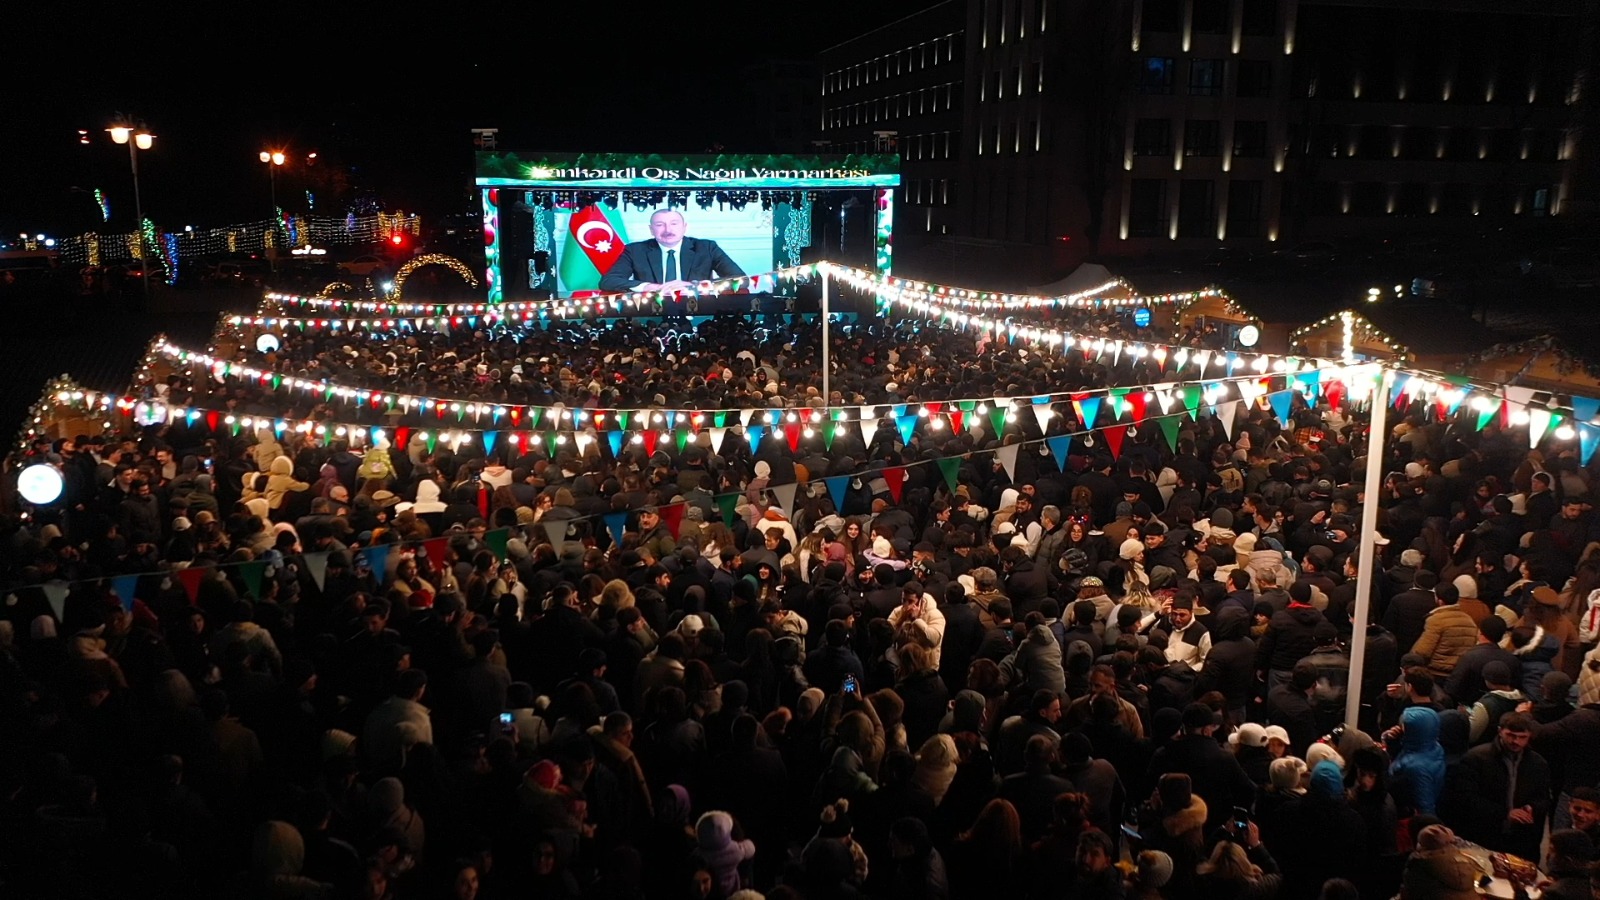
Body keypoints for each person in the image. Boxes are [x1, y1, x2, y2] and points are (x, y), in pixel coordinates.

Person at [1443, 712, 1551, 862]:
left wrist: (1532, 808)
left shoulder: (1538, 763)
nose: (1516, 741)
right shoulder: (1476, 759)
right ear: (1500, 731)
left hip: (1521, 840)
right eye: (1511, 735)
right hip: (1485, 834)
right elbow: (1465, 798)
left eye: (1522, 737)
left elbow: (1543, 797)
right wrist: (1505, 813)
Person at [598, 209, 746, 294]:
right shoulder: (635, 250)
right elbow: (608, 281)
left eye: (674, 224)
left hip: (699, 310)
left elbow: (740, 279)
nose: (668, 230)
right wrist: (649, 287)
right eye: (660, 225)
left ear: (684, 227)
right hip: (650, 312)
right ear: (651, 229)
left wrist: (694, 286)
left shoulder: (706, 248)